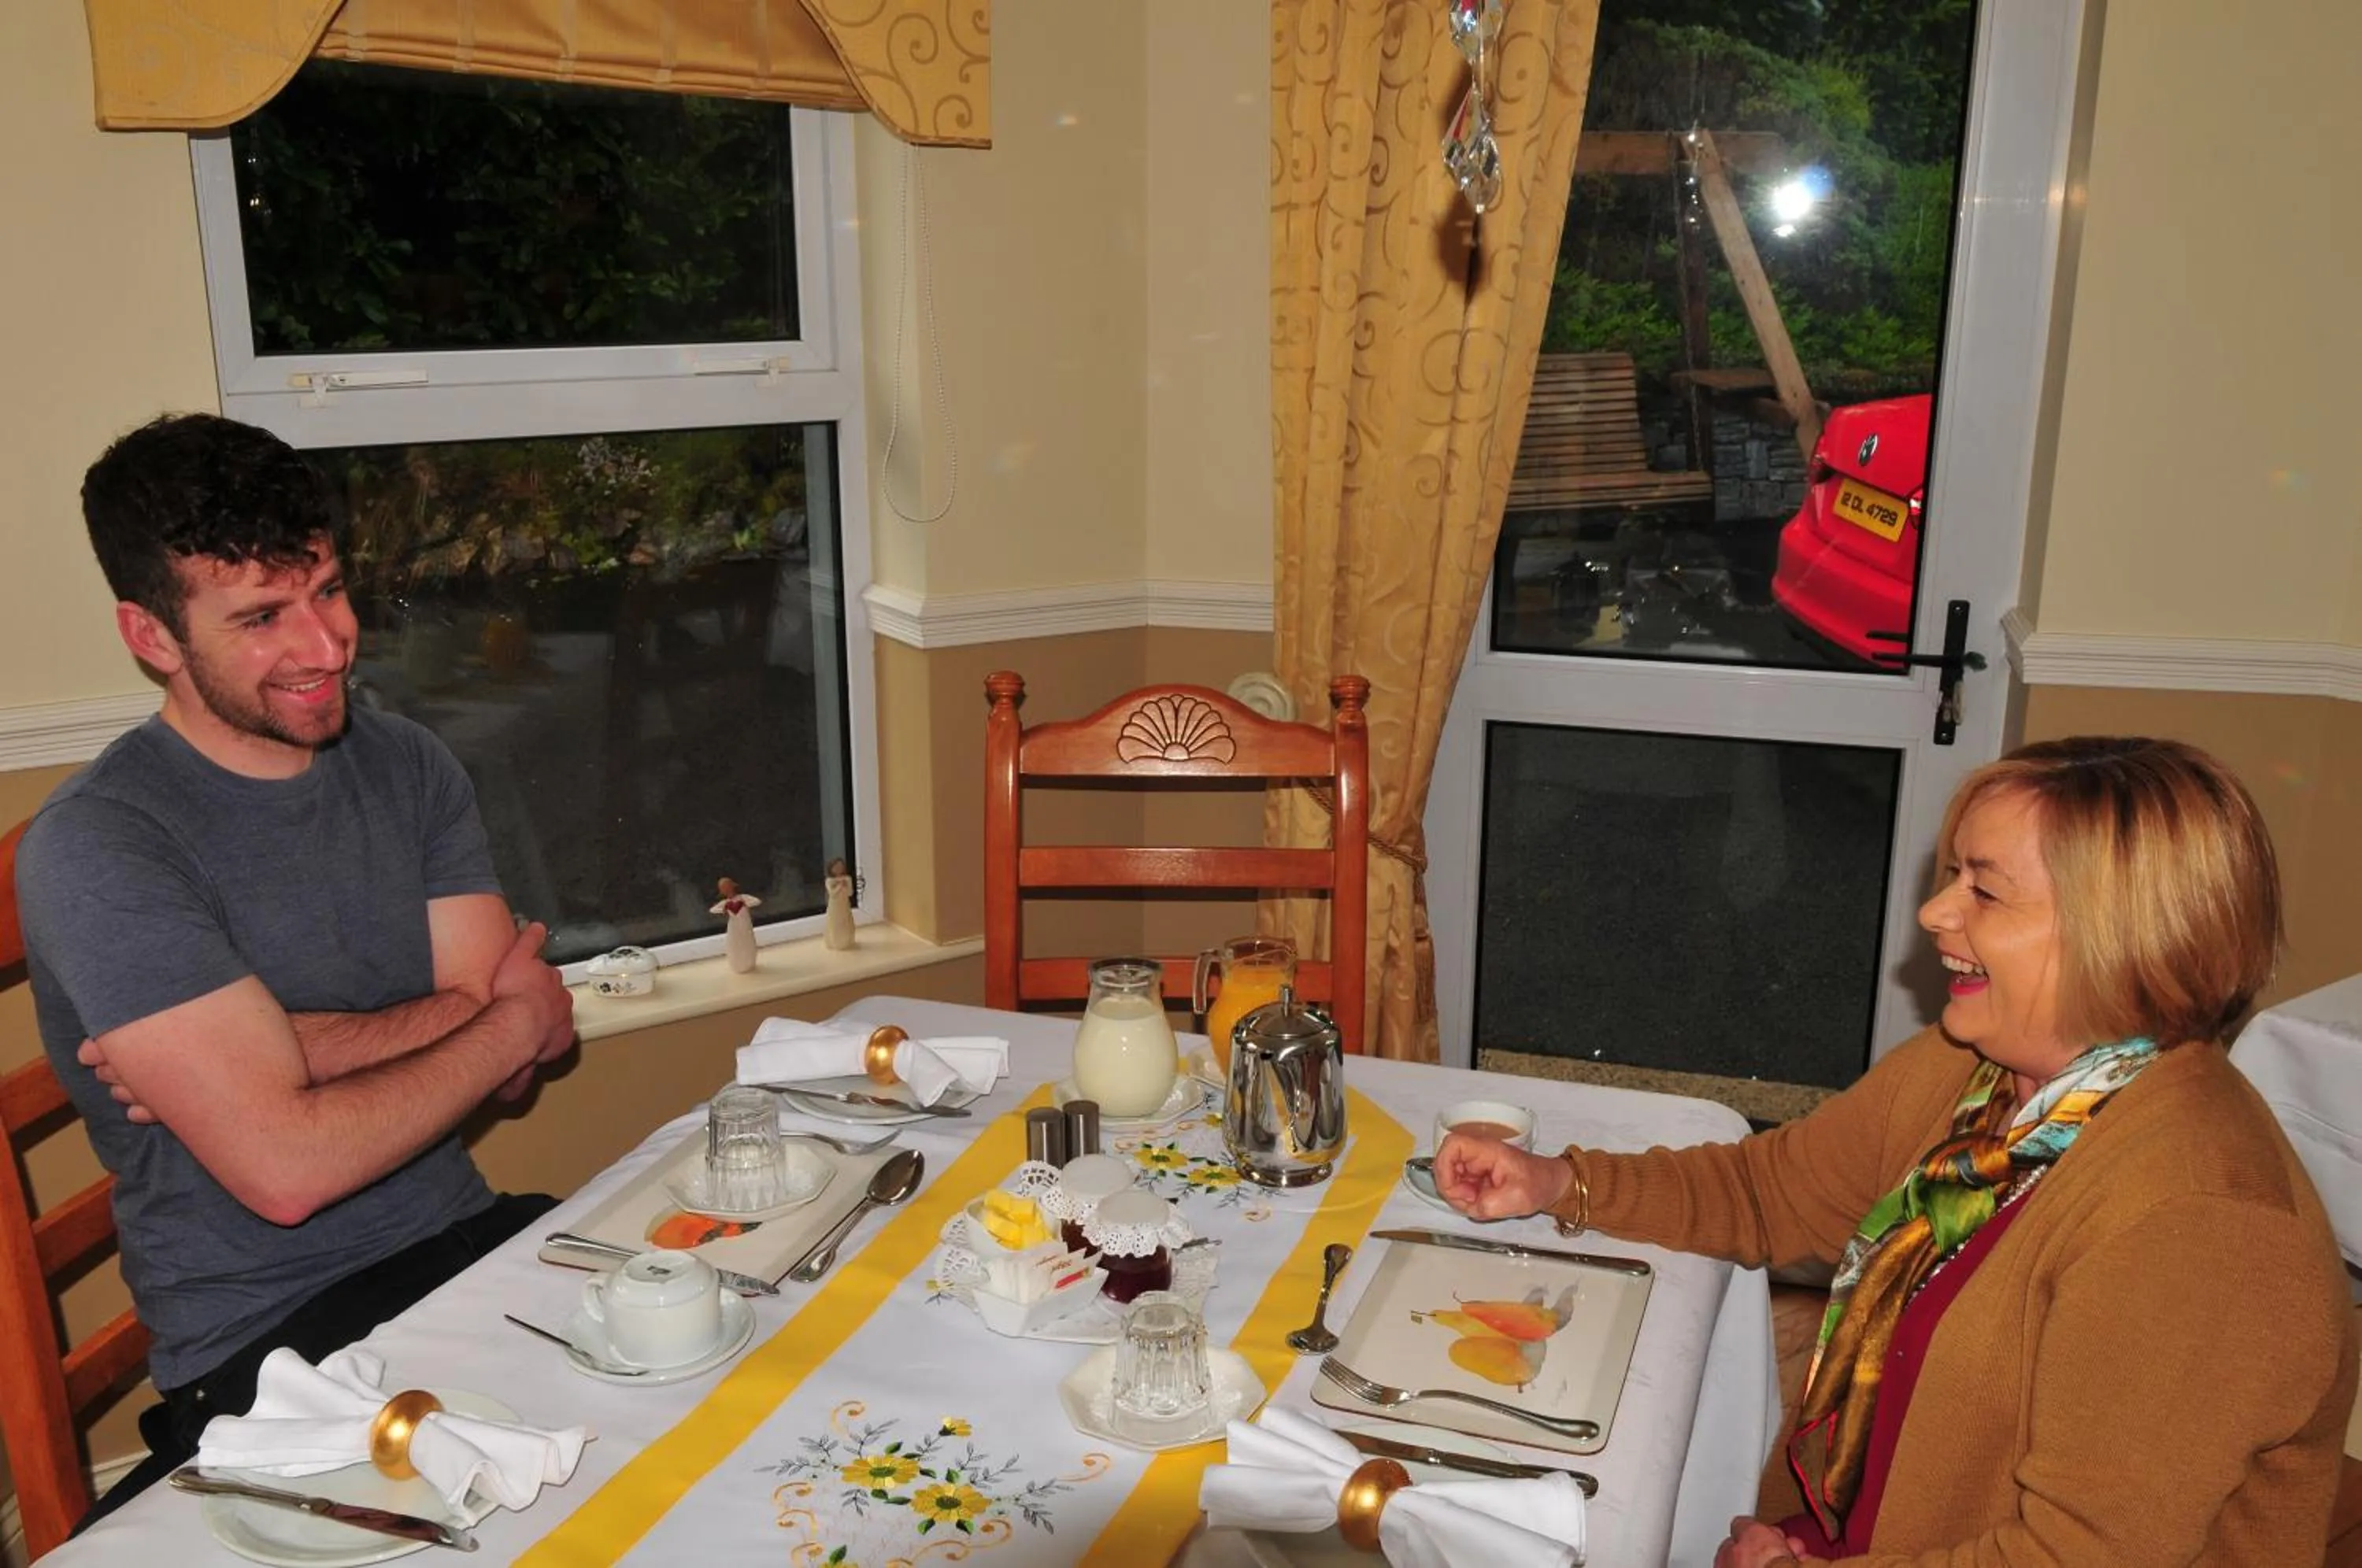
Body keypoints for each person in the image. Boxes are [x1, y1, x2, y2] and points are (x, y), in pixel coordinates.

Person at [1435, 737, 2356, 1566]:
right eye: (1953, 875)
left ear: (2121, 937)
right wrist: (1558, 1180)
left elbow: (2077, 1556)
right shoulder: (1985, 1072)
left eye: (1984, 891)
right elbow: (1767, 1192)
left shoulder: (2204, 1228)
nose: (1934, 912)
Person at [15, 413, 577, 1514]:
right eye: (264, 616)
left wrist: (279, 1053)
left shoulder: (407, 763)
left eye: (327, 589)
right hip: (266, 1348)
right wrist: (505, 1015)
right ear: (151, 636)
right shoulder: (100, 843)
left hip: (462, 1244)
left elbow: (508, 1077)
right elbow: (288, 1174)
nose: (326, 647)